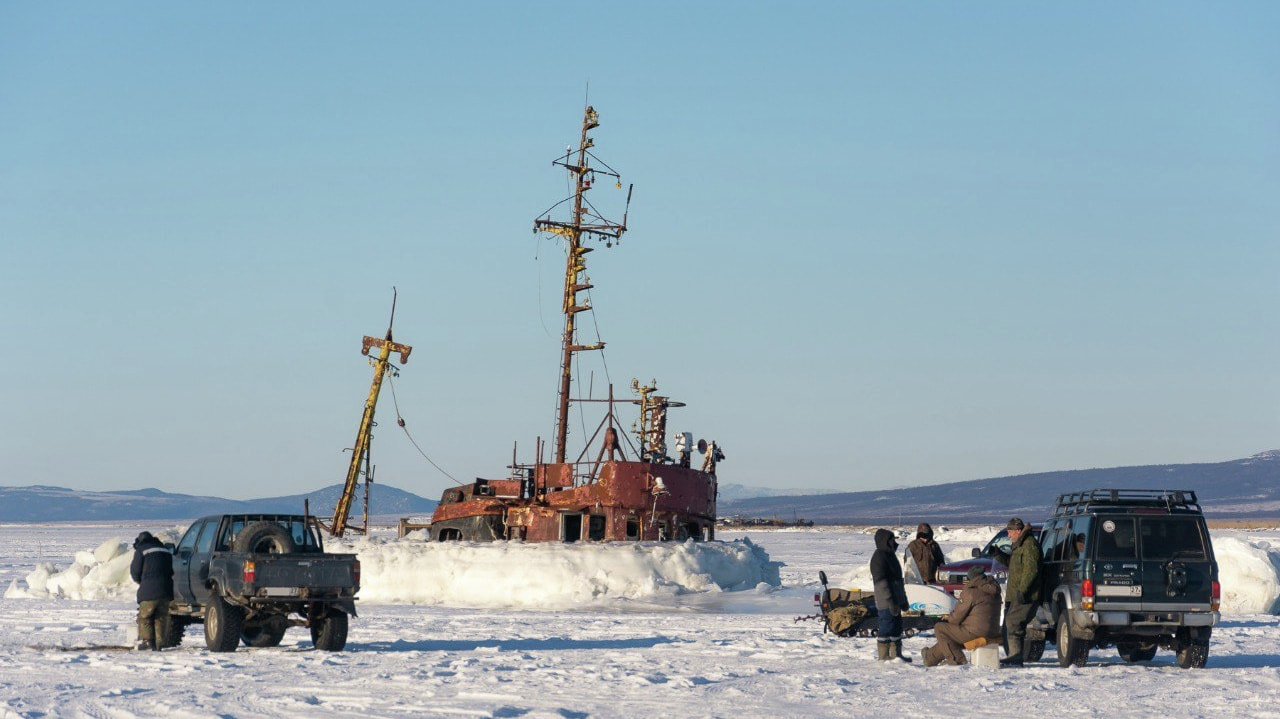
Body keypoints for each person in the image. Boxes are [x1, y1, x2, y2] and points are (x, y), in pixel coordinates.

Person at [920, 565, 1001, 666]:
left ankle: (958, 659)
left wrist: (947, 619)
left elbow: (957, 617)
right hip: (993, 631)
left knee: (940, 628)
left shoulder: (971, 591)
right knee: (949, 638)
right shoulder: (994, 589)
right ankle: (929, 657)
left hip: (975, 632)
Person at [1000, 517, 1042, 665]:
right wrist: (999, 556)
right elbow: (1015, 566)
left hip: (1026, 595)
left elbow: (1031, 570)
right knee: (1010, 623)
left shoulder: (1029, 545)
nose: (1009, 535)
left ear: (1018, 531)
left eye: (1010, 532)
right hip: (1015, 594)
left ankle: (1016, 656)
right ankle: (1012, 655)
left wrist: (1023, 591)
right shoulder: (1019, 545)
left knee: (1014, 621)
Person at [869, 528, 912, 662]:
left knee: (897, 627)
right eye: (891, 540)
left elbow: (898, 581)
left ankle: (896, 655)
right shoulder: (879, 557)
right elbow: (882, 584)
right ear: (884, 541)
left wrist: (902, 600)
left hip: (896, 599)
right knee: (886, 626)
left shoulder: (890, 556)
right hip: (886, 600)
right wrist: (890, 601)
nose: (894, 542)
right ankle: (884, 656)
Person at [129, 531, 174, 651]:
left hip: (149, 591)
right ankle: (160, 643)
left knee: (145, 616)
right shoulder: (165, 550)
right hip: (166, 590)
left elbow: (135, 571)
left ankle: (148, 641)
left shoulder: (141, 550)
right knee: (161, 616)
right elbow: (171, 570)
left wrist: (141, 582)